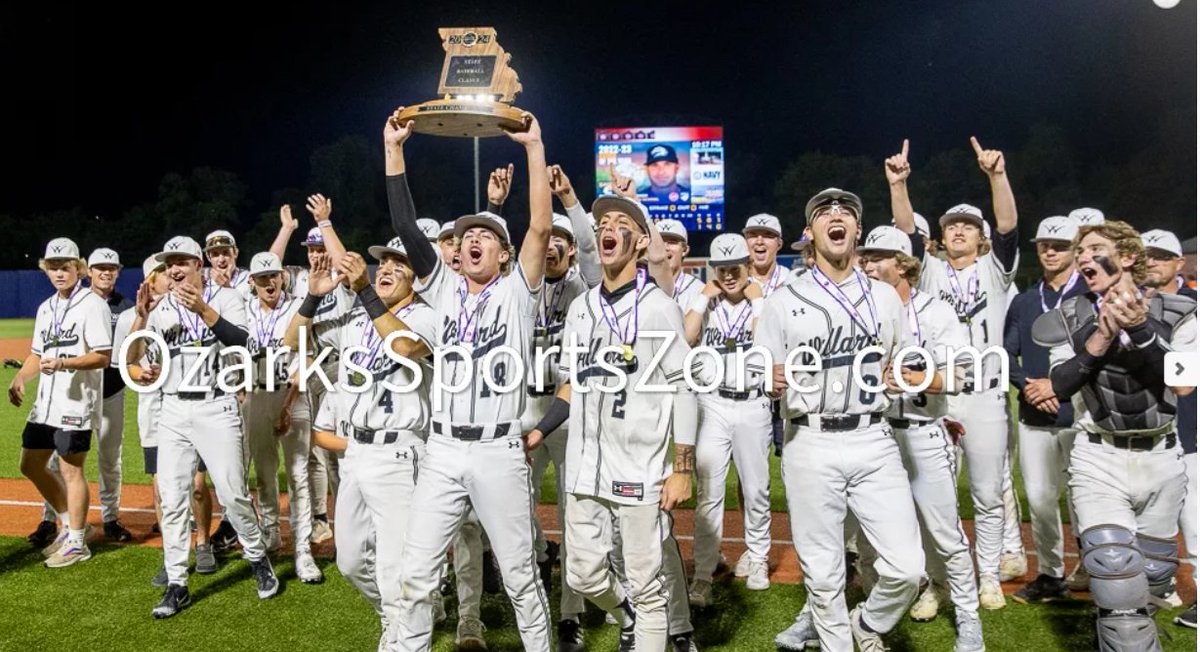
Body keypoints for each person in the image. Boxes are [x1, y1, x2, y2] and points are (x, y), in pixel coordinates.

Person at [384, 107, 553, 652]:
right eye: (466, 235)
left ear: (504, 254)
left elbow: (541, 226)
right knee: (415, 577)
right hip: (442, 451)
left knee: (521, 578)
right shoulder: (443, 288)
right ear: (457, 251)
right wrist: (394, 150)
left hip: (499, 450)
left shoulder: (517, 291)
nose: (473, 239)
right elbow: (406, 228)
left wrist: (534, 148)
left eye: (486, 234)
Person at [525, 192, 699, 652]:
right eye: (603, 222)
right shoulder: (582, 308)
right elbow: (571, 384)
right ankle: (628, 618)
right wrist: (540, 430)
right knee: (582, 575)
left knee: (647, 584)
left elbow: (684, 386)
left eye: (622, 222)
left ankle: (646, 623)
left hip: (640, 468)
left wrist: (682, 468)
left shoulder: (658, 306)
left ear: (640, 242)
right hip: (586, 468)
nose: (607, 227)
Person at [760, 188, 921, 651]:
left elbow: (905, 359)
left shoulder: (885, 297)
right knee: (823, 572)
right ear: (809, 233)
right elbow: (760, 367)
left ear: (857, 230)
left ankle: (867, 624)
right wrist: (766, 377)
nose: (836, 215)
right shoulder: (783, 298)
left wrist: (901, 375)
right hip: (809, 439)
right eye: (824, 213)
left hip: (873, 437)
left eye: (846, 211)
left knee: (907, 568)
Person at [1028, 220, 1196, 651]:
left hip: (1161, 456)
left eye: (1095, 248)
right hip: (1098, 455)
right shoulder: (1069, 317)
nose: (1084, 257)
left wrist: (1139, 329)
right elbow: (1059, 384)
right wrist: (1101, 336)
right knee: (1112, 566)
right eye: (1080, 251)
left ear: (1128, 257)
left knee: (1154, 578)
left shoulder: (1180, 311)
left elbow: (1183, 384)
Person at [889, 137, 1023, 609]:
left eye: (968, 225)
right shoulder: (930, 272)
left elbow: (1008, 226)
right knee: (935, 495)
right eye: (951, 226)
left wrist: (997, 177)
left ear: (980, 237)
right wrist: (899, 186)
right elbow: (907, 233)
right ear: (942, 237)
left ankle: (989, 577)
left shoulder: (995, 270)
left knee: (988, 494)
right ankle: (940, 583)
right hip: (940, 396)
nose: (959, 230)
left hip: (984, 395)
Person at [124, 235, 279, 618]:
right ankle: (177, 583)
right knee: (173, 498)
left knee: (232, 493)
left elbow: (244, 344)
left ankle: (257, 556)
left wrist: (204, 309)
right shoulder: (159, 309)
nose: (174, 269)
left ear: (198, 264)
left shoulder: (226, 298)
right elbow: (131, 358)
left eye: (182, 261)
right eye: (169, 263)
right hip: (173, 409)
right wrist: (141, 318)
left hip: (216, 406)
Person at [853, 226, 984, 652]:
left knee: (945, 535)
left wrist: (915, 378)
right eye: (866, 257)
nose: (868, 265)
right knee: (869, 541)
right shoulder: (864, 312)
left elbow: (961, 376)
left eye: (878, 257)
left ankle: (968, 618)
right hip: (877, 436)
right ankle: (871, 622)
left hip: (924, 433)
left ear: (904, 264)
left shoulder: (936, 312)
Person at [8, 238, 112, 568]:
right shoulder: (46, 307)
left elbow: (103, 356)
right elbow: (37, 354)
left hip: (76, 404)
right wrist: (20, 378)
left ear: (78, 268)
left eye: (65, 267)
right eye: (52, 267)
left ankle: (78, 543)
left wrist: (65, 363)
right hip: (46, 404)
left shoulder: (92, 305)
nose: (59, 273)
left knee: (71, 469)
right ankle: (69, 524)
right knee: (30, 463)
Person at [115, 255, 216, 586]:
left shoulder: (191, 305)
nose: (168, 275)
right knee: (162, 491)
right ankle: (171, 555)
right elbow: (127, 363)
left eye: (168, 270)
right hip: (154, 412)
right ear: (151, 280)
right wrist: (140, 372)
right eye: (160, 273)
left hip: (189, 406)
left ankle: (203, 543)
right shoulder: (135, 315)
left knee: (197, 486)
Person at [1003, 216, 1090, 605]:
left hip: (1084, 414)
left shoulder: (1091, 295)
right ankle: (1051, 574)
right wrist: (1029, 386)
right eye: (1044, 246)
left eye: (1060, 245)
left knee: (1086, 498)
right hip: (1035, 413)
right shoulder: (1025, 301)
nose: (1051, 252)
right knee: (1039, 499)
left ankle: (1094, 566)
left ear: (1076, 249)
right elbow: (1006, 354)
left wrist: (1059, 387)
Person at [683, 234, 772, 606]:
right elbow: (685, 338)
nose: (729, 276)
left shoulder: (765, 300)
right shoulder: (705, 299)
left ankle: (759, 557)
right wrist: (702, 298)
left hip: (752, 402)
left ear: (748, 266)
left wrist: (759, 301)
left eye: (735, 268)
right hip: (713, 404)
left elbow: (768, 344)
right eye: (721, 269)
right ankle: (703, 575)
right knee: (708, 491)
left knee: (756, 489)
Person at [240, 252, 323, 583]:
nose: (269, 282)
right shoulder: (244, 311)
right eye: (262, 278)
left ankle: (302, 550)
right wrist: (241, 387)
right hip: (257, 395)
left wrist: (288, 405)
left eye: (274, 275)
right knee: (263, 472)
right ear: (252, 282)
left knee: (298, 474)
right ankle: (271, 532)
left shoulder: (296, 308)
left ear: (283, 277)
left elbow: (309, 357)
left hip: (293, 395)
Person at [1140, 228, 1198, 628]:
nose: (1153, 262)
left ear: (1179, 262)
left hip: (1189, 429)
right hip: (1143, 430)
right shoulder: (1127, 303)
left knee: (1195, 522)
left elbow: (1183, 381)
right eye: (1147, 255)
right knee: (1147, 523)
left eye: (1162, 256)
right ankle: (1155, 590)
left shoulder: (1194, 308)